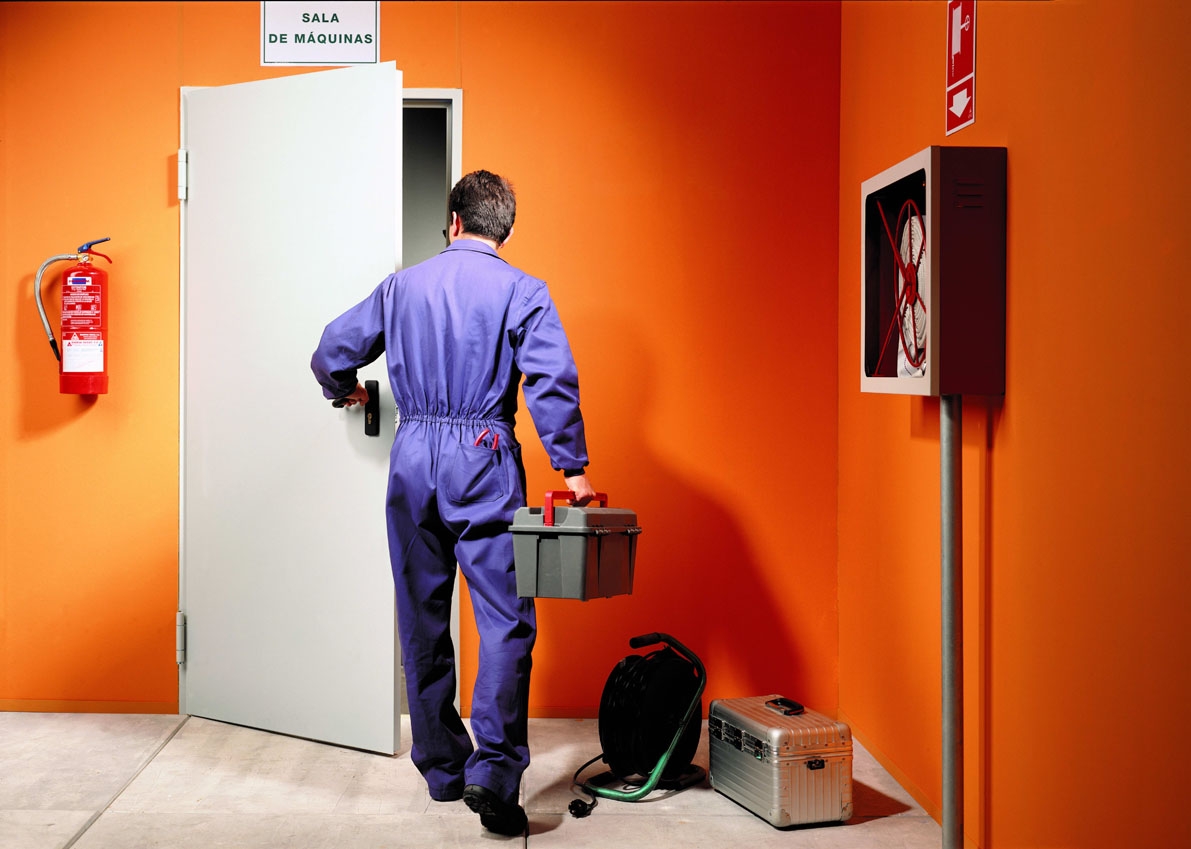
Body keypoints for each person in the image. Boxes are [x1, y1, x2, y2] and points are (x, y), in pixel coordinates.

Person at [310, 170, 596, 837]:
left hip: (413, 456)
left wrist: (347, 388)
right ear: (505, 231)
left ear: (455, 222)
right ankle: (491, 773)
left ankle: (443, 768)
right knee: (504, 621)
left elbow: (330, 351)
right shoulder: (523, 290)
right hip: (484, 456)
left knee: (421, 615)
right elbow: (551, 379)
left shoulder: (401, 287)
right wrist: (574, 468)